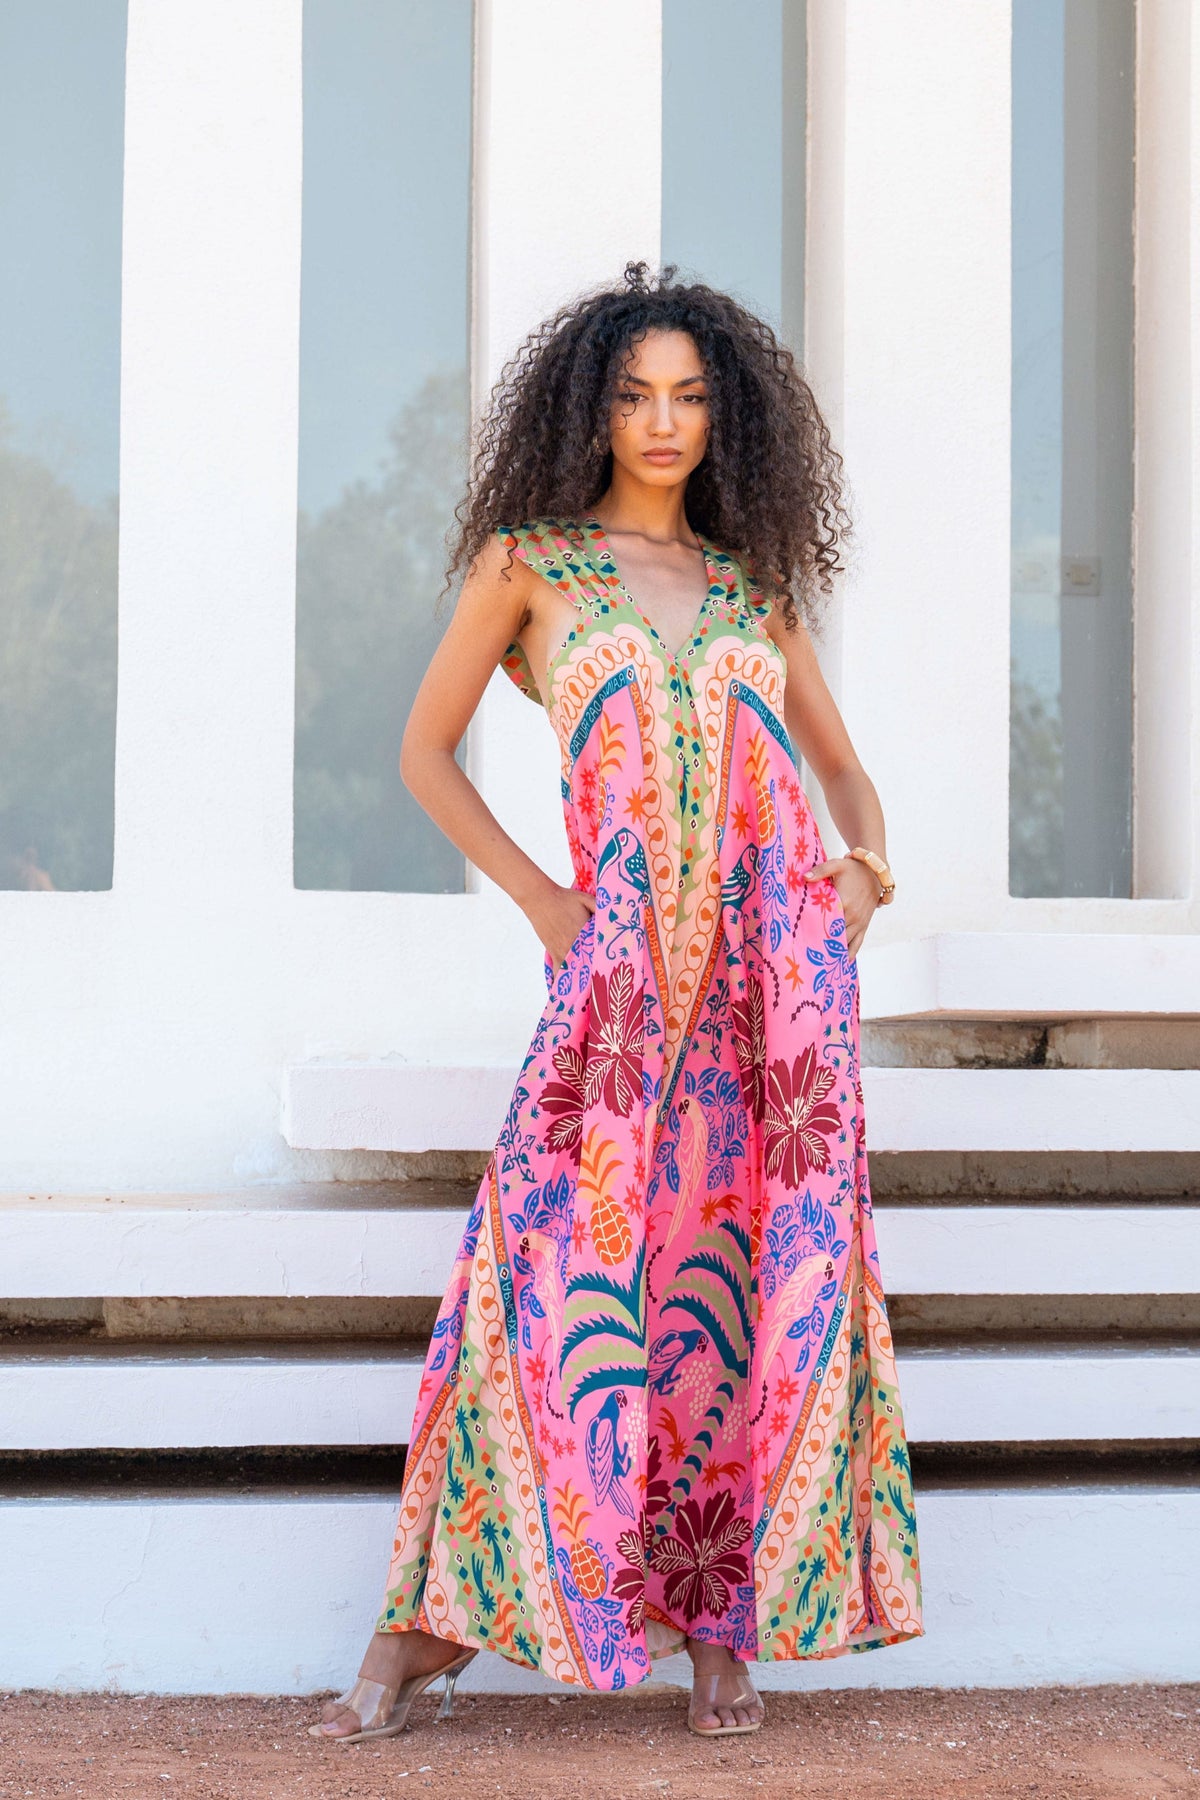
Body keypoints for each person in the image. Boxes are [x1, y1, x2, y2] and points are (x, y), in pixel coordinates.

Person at [310, 261, 923, 1746]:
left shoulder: (752, 586)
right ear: (591, 409)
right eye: (637, 395)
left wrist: (863, 876)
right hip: (619, 991)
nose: (663, 421)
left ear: (727, 417)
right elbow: (424, 751)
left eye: (691, 397)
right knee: (549, 1276)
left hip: (774, 1001)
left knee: (746, 1278)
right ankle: (431, 1623)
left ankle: (720, 1627)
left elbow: (843, 771)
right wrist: (543, 902)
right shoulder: (530, 567)